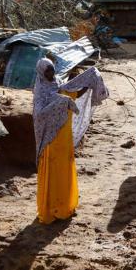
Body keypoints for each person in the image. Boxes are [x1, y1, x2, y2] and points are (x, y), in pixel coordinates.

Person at [33, 58, 89, 224]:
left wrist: (87, 84)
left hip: (64, 137)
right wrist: (60, 102)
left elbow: (73, 94)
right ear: (41, 72)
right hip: (50, 140)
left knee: (64, 168)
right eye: (48, 71)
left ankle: (65, 207)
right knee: (53, 171)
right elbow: (39, 114)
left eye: (52, 70)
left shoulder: (58, 83)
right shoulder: (40, 90)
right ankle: (50, 210)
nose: (51, 73)